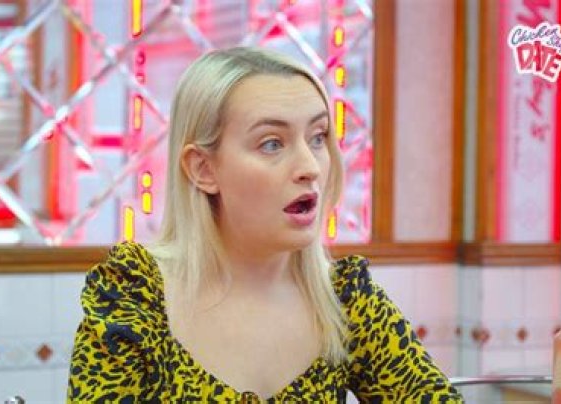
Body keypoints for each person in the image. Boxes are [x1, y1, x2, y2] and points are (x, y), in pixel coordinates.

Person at [67, 47, 463, 403]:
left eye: (318, 137)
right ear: (203, 169)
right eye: (272, 143)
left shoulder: (346, 303)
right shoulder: (135, 299)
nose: (310, 167)